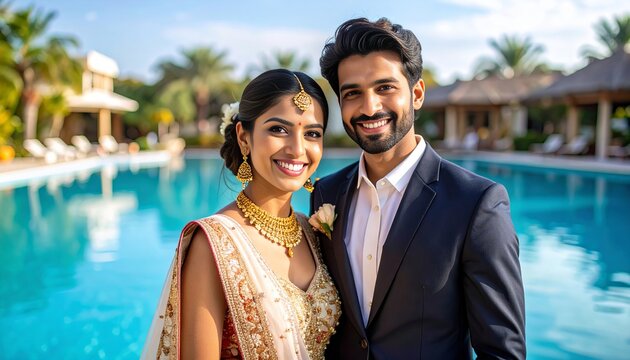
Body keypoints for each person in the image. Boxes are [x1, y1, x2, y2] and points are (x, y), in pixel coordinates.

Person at [311, 18, 525, 359]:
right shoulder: (326, 194)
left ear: (417, 94)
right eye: (353, 93)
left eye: (385, 88)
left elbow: (501, 352)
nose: (369, 107)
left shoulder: (476, 203)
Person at [142, 69, 341, 359]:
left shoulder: (310, 230)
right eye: (278, 129)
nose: (298, 149)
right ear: (244, 138)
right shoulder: (213, 244)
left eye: (312, 134)